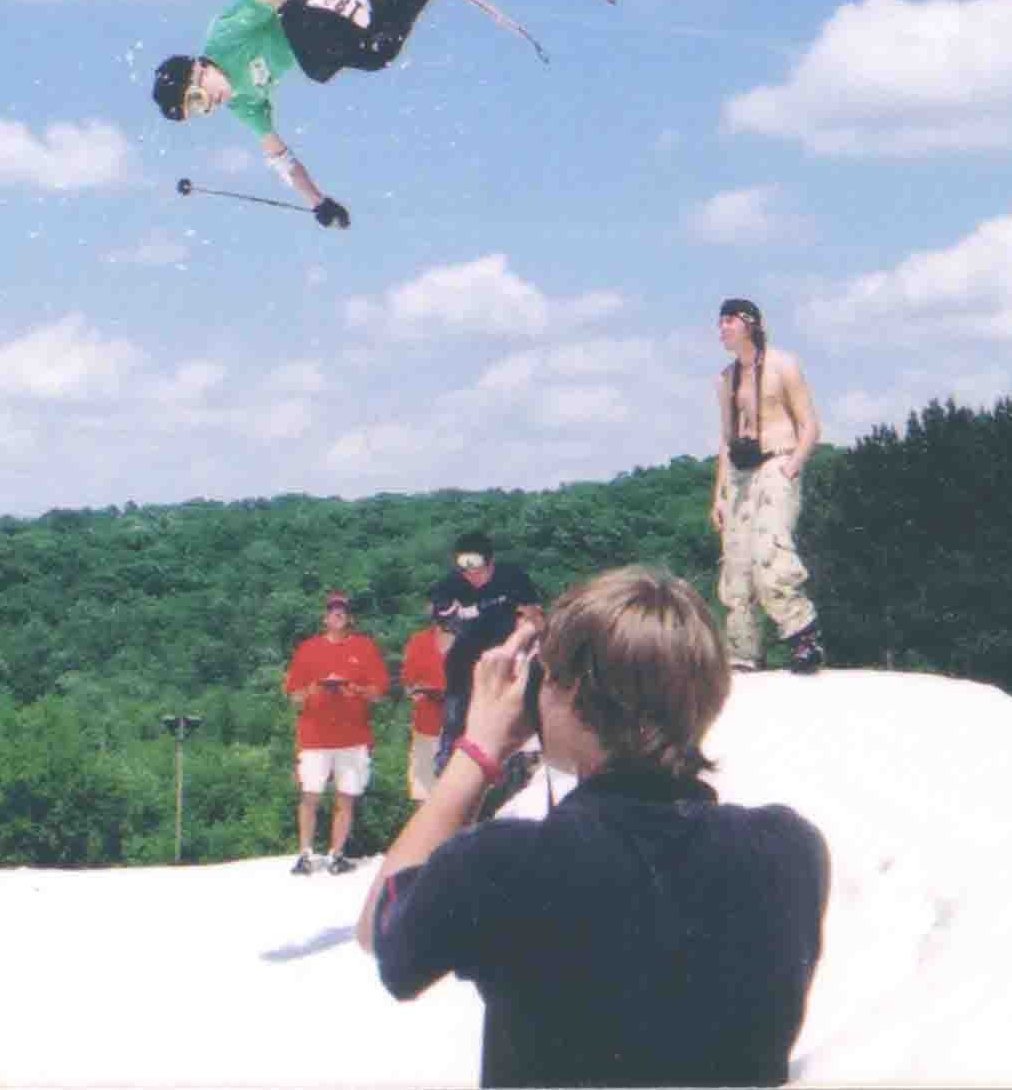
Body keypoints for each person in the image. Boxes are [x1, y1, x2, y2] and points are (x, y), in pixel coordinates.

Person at [355, 567, 832, 1088]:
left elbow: (385, 939)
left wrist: (478, 751)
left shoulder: (502, 865)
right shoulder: (791, 851)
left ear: (567, 689)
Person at [150, 0, 483, 230]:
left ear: (197, 69)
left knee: (320, 53)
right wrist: (318, 202)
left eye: (196, 98)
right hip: (322, 32)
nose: (209, 105)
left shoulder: (224, 38)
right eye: (200, 111)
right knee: (377, 53)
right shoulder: (243, 103)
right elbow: (281, 158)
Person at [711, 297, 824, 672]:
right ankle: (743, 653)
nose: (723, 327)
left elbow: (809, 424)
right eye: (720, 321)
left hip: (777, 462)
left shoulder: (783, 366)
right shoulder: (726, 379)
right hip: (741, 474)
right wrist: (720, 494)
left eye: (729, 320)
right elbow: (726, 441)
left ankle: (802, 636)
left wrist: (792, 466)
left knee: (770, 551)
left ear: (750, 323)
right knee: (737, 563)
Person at [280, 590, 389, 875]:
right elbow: (293, 695)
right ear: (324, 617)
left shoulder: (365, 648)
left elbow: (379, 694)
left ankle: (336, 854)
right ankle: (304, 854)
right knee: (310, 795)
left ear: (350, 617)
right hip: (314, 737)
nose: (337, 614)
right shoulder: (308, 649)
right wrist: (313, 689)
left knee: (346, 797)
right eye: (332, 610)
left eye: (342, 610)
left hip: (353, 738)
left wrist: (355, 689)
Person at [426, 532, 541, 778]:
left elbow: (534, 618)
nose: (472, 578)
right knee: (457, 714)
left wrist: (515, 650)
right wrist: (448, 619)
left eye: (479, 572)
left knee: (511, 713)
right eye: (466, 573)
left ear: (491, 563)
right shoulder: (449, 585)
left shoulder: (513, 578)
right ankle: (448, 761)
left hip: (507, 653)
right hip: (466, 660)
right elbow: (441, 637)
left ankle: (520, 761)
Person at [398, 606, 453, 802]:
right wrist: (418, 691)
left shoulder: (470, 642)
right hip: (426, 727)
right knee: (424, 795)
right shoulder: (419, 642)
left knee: (456, 798)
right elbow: (407, 684)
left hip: (459, 732)